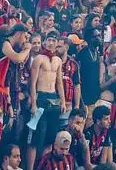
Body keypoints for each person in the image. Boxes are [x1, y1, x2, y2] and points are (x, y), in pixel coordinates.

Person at [27, 32, 66, 170]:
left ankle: (45, 166)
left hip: (53, 98)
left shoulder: (58, 60)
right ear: (44, 42)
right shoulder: (38, 59)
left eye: (53, 40)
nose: (51, 43)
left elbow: (60, 83)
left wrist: (63, 100)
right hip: (41, 98)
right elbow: (32, 83)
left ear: (57, 43)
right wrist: (33, 103)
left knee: (50, 139)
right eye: (49, 40)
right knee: (35, 138)